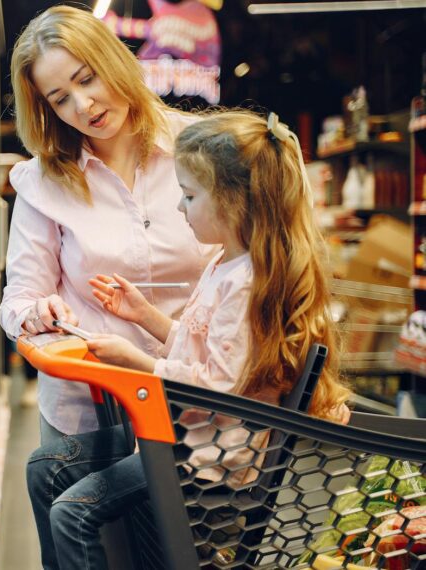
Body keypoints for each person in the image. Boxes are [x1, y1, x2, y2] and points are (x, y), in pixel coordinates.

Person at [25, 110, 353, 570]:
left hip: (206, 458)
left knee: (71, 513)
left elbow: (217, 388)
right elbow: (210, 348)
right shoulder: (226, 265)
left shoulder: (246, 283)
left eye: (190, 195)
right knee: (44, 468)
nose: (179, 208)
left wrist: (138, 361)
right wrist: (147, 317)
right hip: (189, 438)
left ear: (236, 202)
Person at [0, 5, 217, 444]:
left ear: (113, 61)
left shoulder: (201, 150)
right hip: (89, 415)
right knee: (77, 508)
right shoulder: (44, 182)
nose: (83, 105)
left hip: (204, 406)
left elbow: (254, 269)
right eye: (60, 98)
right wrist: (40, 313)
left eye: (86, 79)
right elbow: (18, 301)